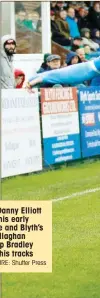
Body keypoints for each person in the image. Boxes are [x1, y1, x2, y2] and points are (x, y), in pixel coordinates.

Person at [26, 56, 100, 88]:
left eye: (57, 61)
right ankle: (31, 82)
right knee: (54, 75)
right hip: (85, 70)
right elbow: (54, 75)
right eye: (53, 61)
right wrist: (30, 83)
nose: (55, 63)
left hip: (90, 71)